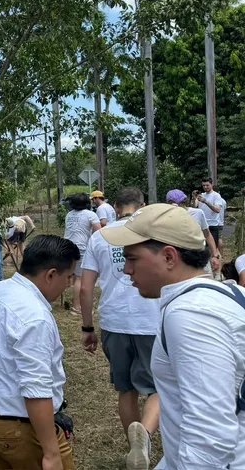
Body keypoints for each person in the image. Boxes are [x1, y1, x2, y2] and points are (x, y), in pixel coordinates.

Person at [101, 203, 245, 469]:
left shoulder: (190, 315)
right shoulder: (227, 294)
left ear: (169, 257)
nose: (125, 270)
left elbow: (210, 438)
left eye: (132, 259)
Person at [0, 235, 80, 470]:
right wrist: (51, 453)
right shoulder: (35, 316)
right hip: (20, 429)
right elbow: (36, 388)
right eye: (69, 276)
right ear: (51, 274)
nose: (70, 284)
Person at [79, 188, 160, 470]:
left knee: (126, 390)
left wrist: (87, 326)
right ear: (143, 206)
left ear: (114, 207)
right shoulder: (151, 233)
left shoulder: (99, 236)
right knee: (156, 389)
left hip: (114, 322)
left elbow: (86, 286)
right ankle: (145, 438)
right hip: (150, 320)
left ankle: (133, 447)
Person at [166, 189, 220, 275]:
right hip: (179, 259)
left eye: (181, 204)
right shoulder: (166, 217)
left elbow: (207, 235)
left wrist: (215, 256)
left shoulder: (197, 213)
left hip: (200, 256)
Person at [63, 193, 101, 315]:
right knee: (80, 278)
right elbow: (99, 230)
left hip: (67, 246)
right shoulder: (91, 214)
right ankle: (77, 307)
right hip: (82, 248)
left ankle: (87, 298)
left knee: (75, 275)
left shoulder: (69, 215)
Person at [192, 177, 224, 247]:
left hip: (213, 225)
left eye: (207, 185)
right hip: (202, 225)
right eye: (203, 185)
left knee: (213, 248)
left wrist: (206, 201)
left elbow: (217, 210)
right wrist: (194, 198)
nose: (205, 187)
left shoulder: (216, 196)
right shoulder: (201, 195)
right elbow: (195, 207)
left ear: (211, 184)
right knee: (202, 247)